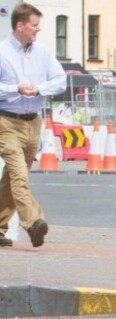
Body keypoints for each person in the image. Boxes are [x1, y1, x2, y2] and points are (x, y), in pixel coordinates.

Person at [0, 3, 66, 248]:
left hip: (33, 122)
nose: (38, 30)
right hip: (6, 120)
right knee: (19, 176)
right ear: (20, 26)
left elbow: (60, 80)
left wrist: (39, 88)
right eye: (34, 25)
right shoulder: (2, 52)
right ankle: (34, 222)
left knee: (13, 178)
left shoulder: (43, 52)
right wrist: (14, 89)